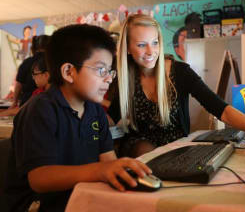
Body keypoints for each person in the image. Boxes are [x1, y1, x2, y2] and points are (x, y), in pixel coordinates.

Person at [5, 24, 152, 212]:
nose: (109, 79)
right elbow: (40, 178)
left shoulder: (95, 111)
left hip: (79, 196)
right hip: (40, 205)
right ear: (68, 72)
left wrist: (122, 171)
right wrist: (100, 171)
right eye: (101, 70)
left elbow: (107, 160)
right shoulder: (40, 109)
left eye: (110, 71)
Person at [108, 14, 245, 158]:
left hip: (176, 152)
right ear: (128, 48)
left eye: (155, 43)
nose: (151, 52)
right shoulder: (122, 79)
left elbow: (221, 109)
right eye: (141, 45)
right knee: (142, 147)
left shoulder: (179, 72)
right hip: (140, 152)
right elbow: (109, 119)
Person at [10, 35, 51, 108]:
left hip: (28, 104)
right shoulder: (54, 61)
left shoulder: (27, 62)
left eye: (35, 75)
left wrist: (14, 102)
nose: (33, 78)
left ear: (46, 75)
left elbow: (19, 84)